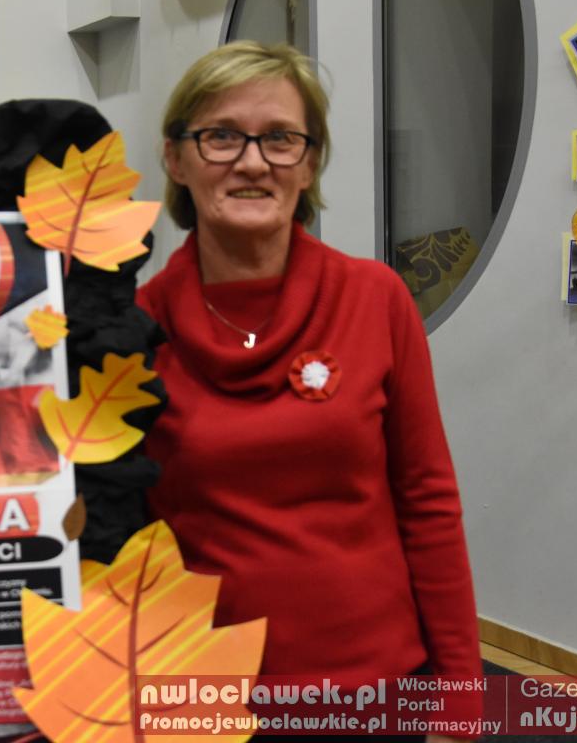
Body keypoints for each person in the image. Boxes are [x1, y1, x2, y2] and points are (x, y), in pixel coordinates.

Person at [137, 41, 482, 743]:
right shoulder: (133, 332)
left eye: (280, 138)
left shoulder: (375, 298)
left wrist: (460, 699)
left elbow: (427, 500)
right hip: (201, 697)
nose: (253, 162)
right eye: (221, 136)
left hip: (375, 691)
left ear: (310, 163)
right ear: (175, 159)